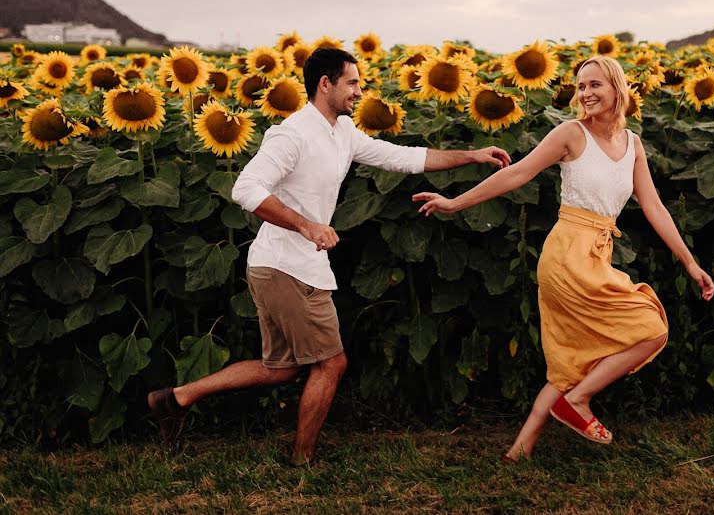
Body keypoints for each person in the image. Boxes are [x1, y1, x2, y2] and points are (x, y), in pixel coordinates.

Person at [148, 47, 511, 465]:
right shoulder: (292, 134)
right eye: (352, 83)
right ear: (326, 84)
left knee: (281, 368)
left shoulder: (342, 132)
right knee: (331, 364)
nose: (359, 91)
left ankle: (175, 399)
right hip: (285, 265)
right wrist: (307, 225)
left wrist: (474, 155)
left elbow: (402, 157)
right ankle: (303, 460)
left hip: (289, 265)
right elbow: (245, 189)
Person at [413, 55, 714, 459]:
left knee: (576, 356)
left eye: (595, 85)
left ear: (617, 89)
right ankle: (576, 402)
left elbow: (655, 208)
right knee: (650, 328)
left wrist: (690, 263)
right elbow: (517, 173)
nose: (585, 93)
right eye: (581, 86)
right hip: (566, 253)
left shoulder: (633, 145)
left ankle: (519, 451)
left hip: (597, 253)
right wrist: (454, 203)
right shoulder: (571, 134)